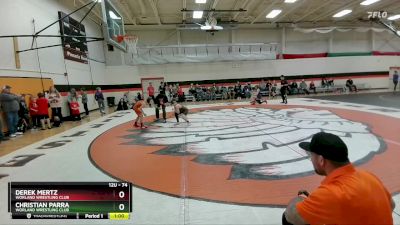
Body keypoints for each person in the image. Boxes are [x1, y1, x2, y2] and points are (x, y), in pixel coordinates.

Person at [283, 132, 395, 225]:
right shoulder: (369, 176)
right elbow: (391, 205)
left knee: (287, 220)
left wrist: (301, 199)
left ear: (321, 160)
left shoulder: (331, 193)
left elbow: (292, 216)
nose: (311, 159)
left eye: (311, 155)